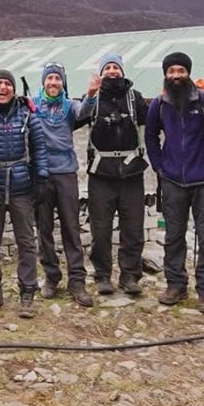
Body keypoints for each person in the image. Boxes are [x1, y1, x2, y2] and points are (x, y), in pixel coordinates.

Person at [144, 51, 204, 314]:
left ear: (188, 73)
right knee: (173, 237)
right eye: (171, 71)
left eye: (180, 71)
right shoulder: (159, 104)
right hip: (172, 180)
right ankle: (175, 286)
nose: (176, 76)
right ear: (165, 74)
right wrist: (159, 166)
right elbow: (150, 136)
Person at [0, 69, 49, 317]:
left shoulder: (27, 113)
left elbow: (39, 148)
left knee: (26, 241)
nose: (3, 88)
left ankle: (27, 291)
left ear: (14, 90)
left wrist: (42, 178)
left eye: (8, 84)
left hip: (21, 185)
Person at [75, 53, 150, 299]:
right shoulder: (92, 99)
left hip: (131, 173)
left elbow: (155, 119)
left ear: (123, 71)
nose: (111, 71)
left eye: (115, 67)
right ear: (101, 72)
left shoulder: (135, 98)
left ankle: (130, 276)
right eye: (107, 67)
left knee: (133, 228)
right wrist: (89, 95)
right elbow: (75, 119)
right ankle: (102, 275)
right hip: (101, 174)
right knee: (101, 229)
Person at [30, 63, 91, 306]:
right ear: (43, 82)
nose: (53, 82)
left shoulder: (70, 106)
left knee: (71, 227)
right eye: (50, 78)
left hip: (66, 172)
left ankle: (77, 280)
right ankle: (51, 275)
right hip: (40, 173)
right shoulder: (32, 105)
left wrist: (92, 94)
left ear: (63, 83)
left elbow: (85, 112)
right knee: (43, 228)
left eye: (57, 79)